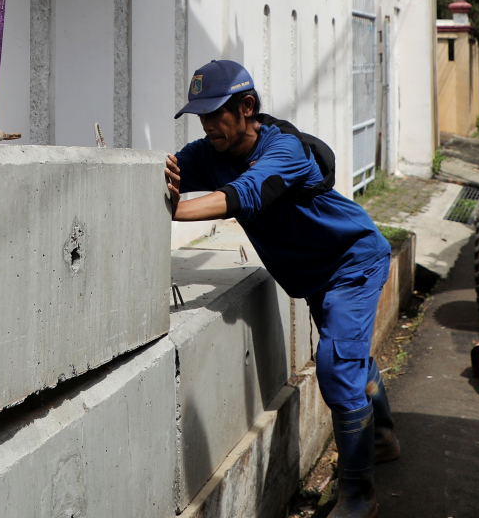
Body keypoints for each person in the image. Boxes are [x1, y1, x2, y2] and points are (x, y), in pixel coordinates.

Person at [165, 59, 398, 518]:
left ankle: (357, 497)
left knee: (334, 366)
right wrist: (158, 178)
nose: (208, 125)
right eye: (201, 116)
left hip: (351, 261)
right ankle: (384, 437)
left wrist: (172, 211)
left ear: (247, 106)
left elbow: (245, 195)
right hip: (315, 275)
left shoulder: (283, 150)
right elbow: (168, 171)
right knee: (349, 356)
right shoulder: (212, 152)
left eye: (216, 113)